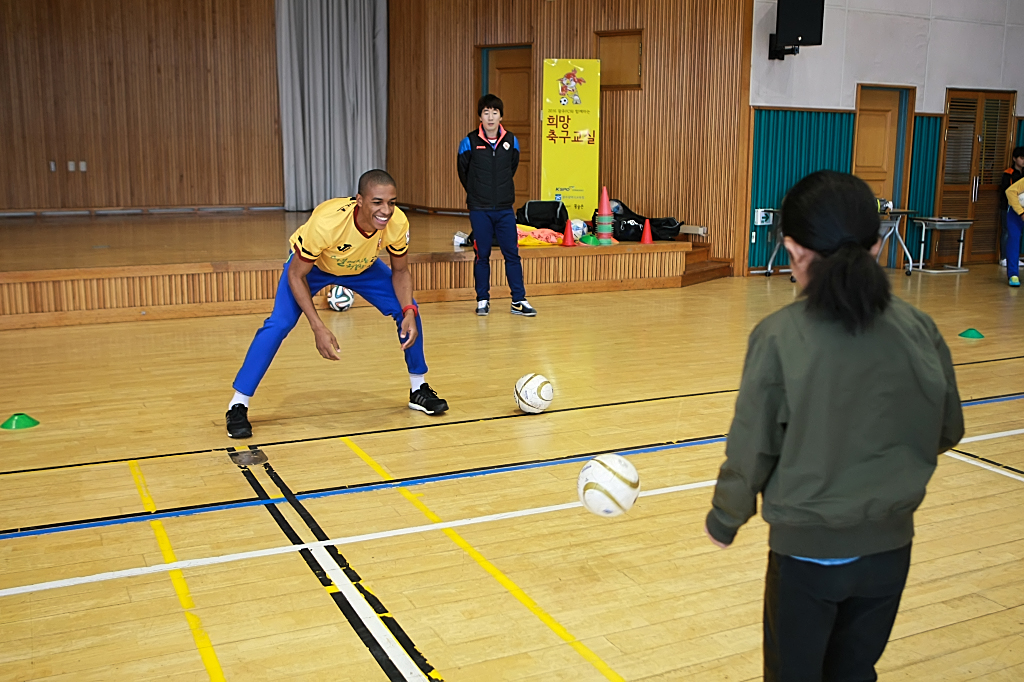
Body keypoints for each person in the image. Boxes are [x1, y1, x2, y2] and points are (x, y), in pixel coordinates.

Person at [704, 171, 964, 681]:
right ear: (877, 245)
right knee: (853, 671)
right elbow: (948, 428)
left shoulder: (780, 336)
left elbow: (752, 446)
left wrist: (725, 518)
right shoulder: (919, 328)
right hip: (890, 551)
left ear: (794, 251)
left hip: (807, 557)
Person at [225, 169, 448, 439]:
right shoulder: (326, 222)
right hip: (314, 268)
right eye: (377, 202)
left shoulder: (397, 222)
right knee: (278, 323)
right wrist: (318, 326)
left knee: (409, 308)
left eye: (392, 202)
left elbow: (400, 272)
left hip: (363, 267)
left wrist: (409, 311)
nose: (386, 210)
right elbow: (296, 275)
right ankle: (238, 403)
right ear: (360, 201)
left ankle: (418, 389)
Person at [457, 94, 536, 317]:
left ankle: (518, 300)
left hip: (504, 209)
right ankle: (482, 299)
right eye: (486, 112)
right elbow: (463, 172)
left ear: (501, 116)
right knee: (482, 255)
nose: (490, 117)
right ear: (480, 116)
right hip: (479, 208)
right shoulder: (469, 141)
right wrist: (477, 191)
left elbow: (512, 167)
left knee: (512, 254)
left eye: (494, 112)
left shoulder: (512, 140)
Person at [998, 146, 1024, 268]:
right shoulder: (1008, 173)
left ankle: (1015, 257)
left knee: (1017, 234)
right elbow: (1006, 192)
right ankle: (1004, 257)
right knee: (1007, 232)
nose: (1023, 161)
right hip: (1008, 207)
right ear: (1014, 158)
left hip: (1021, 208)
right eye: (1022, 158)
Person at [1005, 161, 1024, 287]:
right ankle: (1013, 274)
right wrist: (1021, 212)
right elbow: (1010, 192)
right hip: (1016, 213)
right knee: (1014, 240)